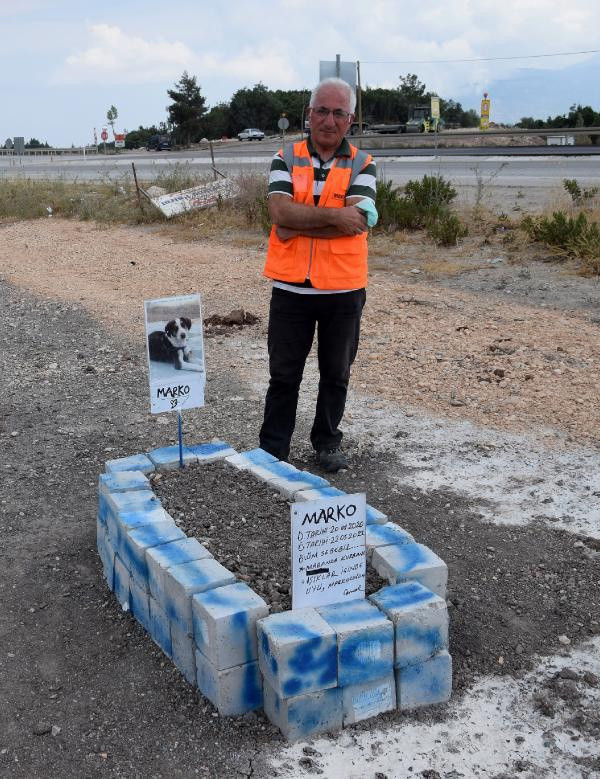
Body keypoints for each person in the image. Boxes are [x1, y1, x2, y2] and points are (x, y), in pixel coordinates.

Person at [258, 77, 377, 472]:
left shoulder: (363, 163)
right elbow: (279, 212)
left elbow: (358, 221)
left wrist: (298, 223)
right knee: (283, 376)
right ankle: (272, 451)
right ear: (309, 114)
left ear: (350, 119)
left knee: (336, 374)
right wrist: (334, 218)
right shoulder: (286, 156)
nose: (329, 120)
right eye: (322, 111)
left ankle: (327, 444)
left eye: (338, 113)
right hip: (291, 287)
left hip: (343, 288)